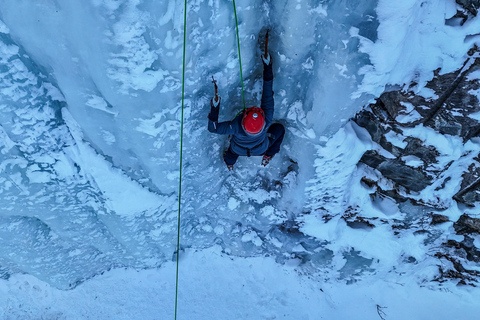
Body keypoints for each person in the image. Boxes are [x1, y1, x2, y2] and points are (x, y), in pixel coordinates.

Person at [207, 52, 285, 170]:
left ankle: (229, 163)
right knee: (279, 129)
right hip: (261, 149)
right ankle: (268, 155)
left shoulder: (235, 126)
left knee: (232, 153)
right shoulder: (267, 120)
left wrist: (215, 108)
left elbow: (213, 128)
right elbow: (267, 95)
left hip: (238, 149)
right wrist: (267, 67)